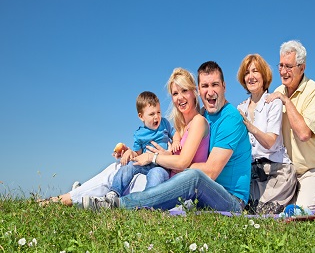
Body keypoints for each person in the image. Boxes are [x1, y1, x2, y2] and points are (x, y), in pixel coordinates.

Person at [84, 61, 252, 212]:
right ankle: (83, 198)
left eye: (215, 85)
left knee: (194, 177)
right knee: (127, 167)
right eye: (205, 86)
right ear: (199, 90)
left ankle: (119, 205)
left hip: (230, 199)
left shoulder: (230, 119)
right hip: (205, 195)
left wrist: (168, 161)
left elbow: (211, 172)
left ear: (224, 86)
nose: (210, 92)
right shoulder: (205, 115)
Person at [42, 68, 209, 207]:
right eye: (175, 93)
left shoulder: (196, 122)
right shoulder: (180, 126)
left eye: (184, 91)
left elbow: (182, 162)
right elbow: (168, 153)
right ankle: (75, 197)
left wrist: (155, 156)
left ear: (194, 92)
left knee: (113, 173)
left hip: (167, 179)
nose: (179, 97)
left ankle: (71, 199)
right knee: (119, 169)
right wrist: (130, 152)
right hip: (161, 171)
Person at [266, 40, 315, 210]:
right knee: (272, 212)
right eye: (280, 65)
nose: (283, 71)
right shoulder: (277, 91)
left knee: (298, 216)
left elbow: (304, 134)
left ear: (302, 68)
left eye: (289, 66)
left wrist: (285, 101)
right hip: (287, 173)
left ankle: (314, 197)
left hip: (314, 169)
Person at [236, 53, 297, 214]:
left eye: (255, 71)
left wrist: (250, 127)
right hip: (253, 175)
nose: (251, 76)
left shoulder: (273, 102)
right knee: (243, 211)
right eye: (247, 73)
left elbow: (270, 142)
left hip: (277, 172)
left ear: (264, 75)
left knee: (263, 215)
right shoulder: (240, 108)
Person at [105, 91, 182, 200]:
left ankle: (147, 199)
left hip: (162, 165)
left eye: (158, 112)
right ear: (141, 117)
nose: (157, 117)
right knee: (128, 167)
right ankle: (114, 192)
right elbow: (138, 154)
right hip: (145, 164)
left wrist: (176, 142)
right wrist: (129, 152)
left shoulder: (164, 123)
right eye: (152, 114)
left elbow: (175, 133)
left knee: (156, 175)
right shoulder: (139, 134)